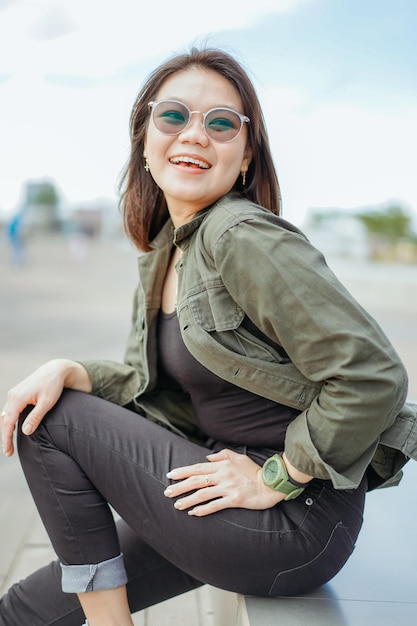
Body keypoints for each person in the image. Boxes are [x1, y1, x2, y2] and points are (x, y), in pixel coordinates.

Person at [0, 46, 415, 626]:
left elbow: (373, 375)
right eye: (174, 116)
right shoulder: (165, 250)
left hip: (293, 517)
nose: (195, 134)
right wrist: (74, 368)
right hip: (219, 491)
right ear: (144, 140)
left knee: (49, 418)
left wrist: (281, 474)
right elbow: (151, 389)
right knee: (24, 612)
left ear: (245, 157)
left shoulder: (241, 237)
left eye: (222, 124)